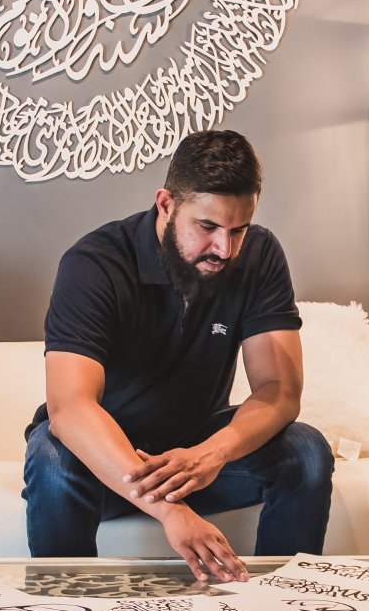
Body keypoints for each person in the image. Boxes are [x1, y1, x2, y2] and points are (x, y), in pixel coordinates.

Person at [23, 130, 334, 583]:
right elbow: (71, 409)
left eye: (238, 229)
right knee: (51, 452)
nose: (224, 250)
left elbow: (280, 391)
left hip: (197, 459)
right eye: (207, 227)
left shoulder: (260, 255)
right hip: (101, 465)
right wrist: (169, 512)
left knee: (305, 451)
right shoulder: (95, 263)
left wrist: (211, 454)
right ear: (166, 204)